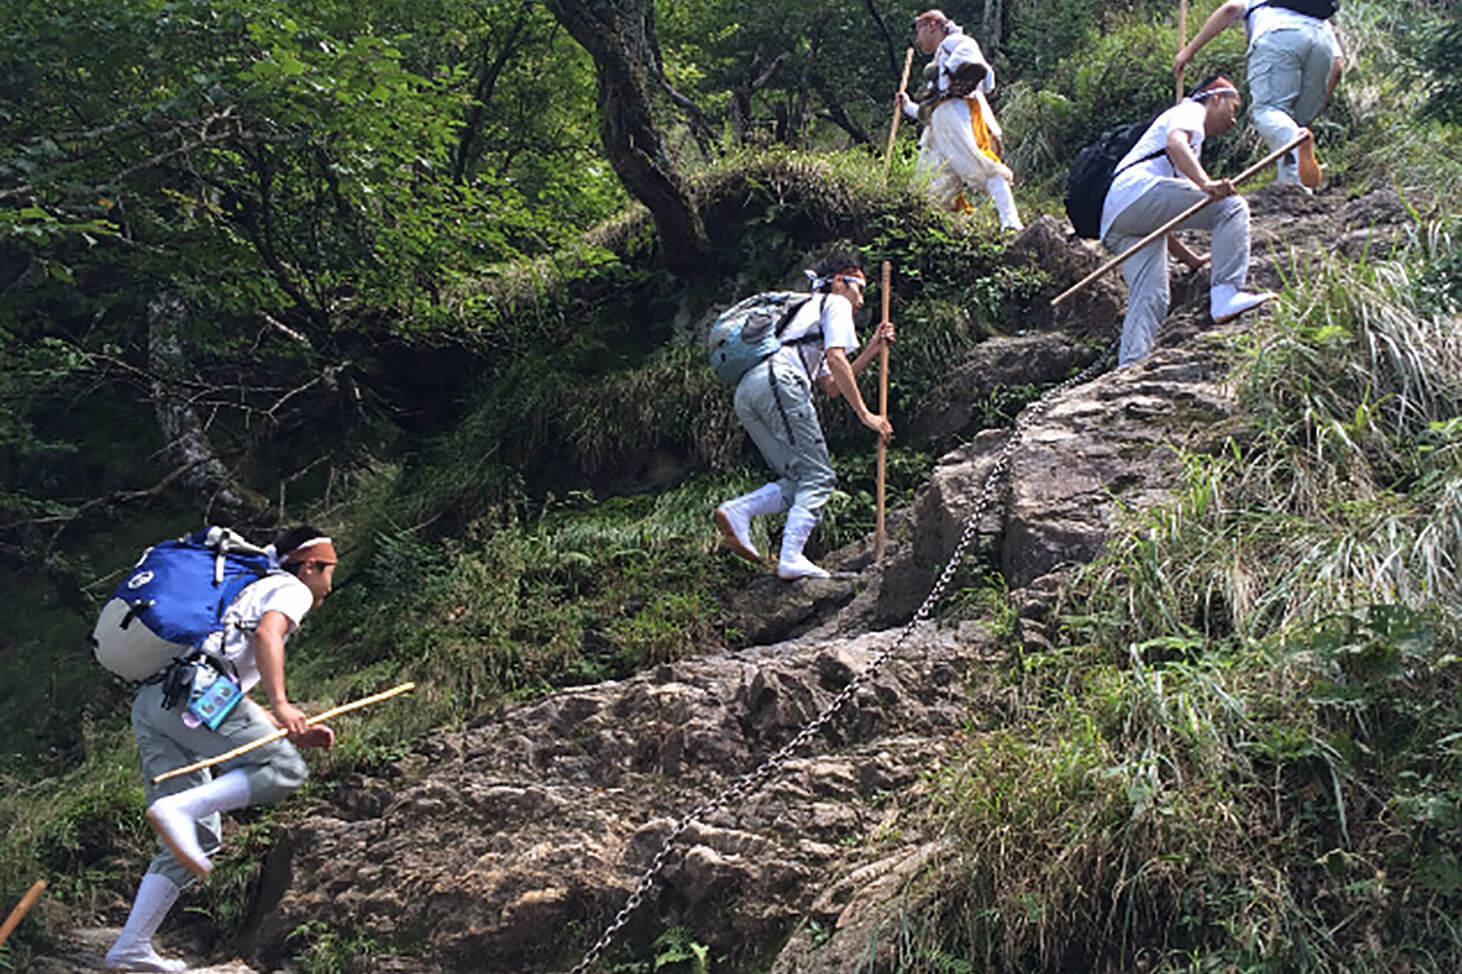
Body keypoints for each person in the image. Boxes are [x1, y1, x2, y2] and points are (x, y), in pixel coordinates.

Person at [104, 526, 338, 972]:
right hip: (198, 690)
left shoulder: (248, 589)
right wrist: (283, 704)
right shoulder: (292, 589)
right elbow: (269, 636)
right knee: (286, 770)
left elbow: (225, 683)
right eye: (330, 569)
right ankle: (180, 809)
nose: (330, 580)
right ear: (310, 566)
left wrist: (283, 725)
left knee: (200, 837)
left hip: (159, 700)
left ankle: (130, 946)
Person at [715, 254, 894, 580]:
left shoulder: (805, 314)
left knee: (801, 479)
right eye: (860, 288)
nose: (861, 299)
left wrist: (872, 348)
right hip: (781, 383)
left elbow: (830, 385)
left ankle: (738, 510)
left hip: (750, 391)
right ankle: (791, 557)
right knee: (819, 477)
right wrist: (866, 415)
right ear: (841, 281)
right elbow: (837, 359)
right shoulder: (834, 304)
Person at [1100, 75, 1277, 367]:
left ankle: (1129, 365)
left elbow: (1167, 215)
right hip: (1137, 193)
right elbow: (1174, 144)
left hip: (1119, 217)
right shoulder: (1191, 110)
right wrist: (1206, 185)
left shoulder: (1190, 147)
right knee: (1231, 206)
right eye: (1234, 109)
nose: (1234, 121)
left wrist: (1191, 259)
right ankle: (1226, 294)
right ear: (1216, 97)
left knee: (1151, 295)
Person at [1173, 0, 1341, 190]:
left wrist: (1188, 52)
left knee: (1268, 111)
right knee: (1295, 125)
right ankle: (1297, 190)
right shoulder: (1318, 13)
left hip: (1279, 34)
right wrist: (1315, 109)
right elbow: (1337, 67)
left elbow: (1231, 9)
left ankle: (1298, 156)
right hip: (1323, 42)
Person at [895, 9, 1023, 230]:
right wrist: (907, 106)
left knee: (983, 164)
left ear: (932, 25)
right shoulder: (941, 55)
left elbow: (976, 66)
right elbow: (929, 111)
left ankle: (1010, 222)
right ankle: (938, 234)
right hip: (938, 127)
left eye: (920, 31)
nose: (918, 39)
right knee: (928, 186)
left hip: (960, 113)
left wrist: (946, 71)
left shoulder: (956, 42)